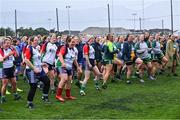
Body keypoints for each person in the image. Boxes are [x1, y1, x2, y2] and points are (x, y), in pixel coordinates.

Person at [24, 36, 50, 109]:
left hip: (39, 70)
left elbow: (36, 61)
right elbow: (26, 60)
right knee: (33, 87)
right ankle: (29, 103)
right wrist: (34, 68)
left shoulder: (36, 49)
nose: (37, 41)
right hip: (31, 71)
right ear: (31, 41)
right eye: (35, 40)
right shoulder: (29, 48)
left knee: (47, 81)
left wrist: (42, 64)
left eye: (37, 40)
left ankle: (44, 97)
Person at [56, 36, 80, 102]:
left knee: (69, 80)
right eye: (72, 42)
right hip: (61, 65)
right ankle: (58, 95)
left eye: (74, 42)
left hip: (69, 67)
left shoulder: (73, 49)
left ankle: (68, 95)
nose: (73, 43)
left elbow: (74, 59)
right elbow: (60, 55)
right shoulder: (64, 48)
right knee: (64, 79)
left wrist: (77, 66)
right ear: (68, 42)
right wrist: (63, 63)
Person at [1, 37, 21, 103]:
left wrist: (14, 48)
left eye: (9, 43)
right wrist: (8, 54)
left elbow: (17, 55)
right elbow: (1, 60)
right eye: (6, 43)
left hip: (11, 68)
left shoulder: (11, 48)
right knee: (5, 84)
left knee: (14, 83)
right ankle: (3, 97)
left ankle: (15, 95)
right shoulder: (1, 50)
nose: (7, 44)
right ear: (3, 44)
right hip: (4, 69)